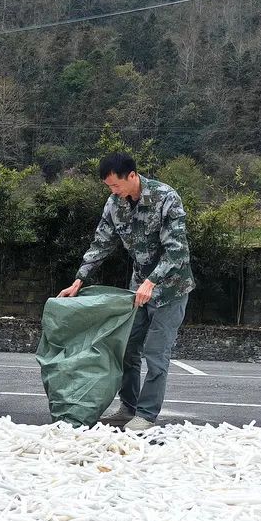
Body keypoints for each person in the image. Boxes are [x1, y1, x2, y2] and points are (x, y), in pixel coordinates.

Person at [57, 152, 195, 431]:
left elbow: (177, 250)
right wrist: (79, 279)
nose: (113, 191)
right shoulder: (114, 204)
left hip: (170, 289)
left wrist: (152, 281)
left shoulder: (166, 198)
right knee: (126, 348)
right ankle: (127, 407)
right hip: (138, 288)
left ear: (132, 176)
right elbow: (101, 242)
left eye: (116, 185)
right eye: (109, 187)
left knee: (157, 354)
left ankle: (146, 414)